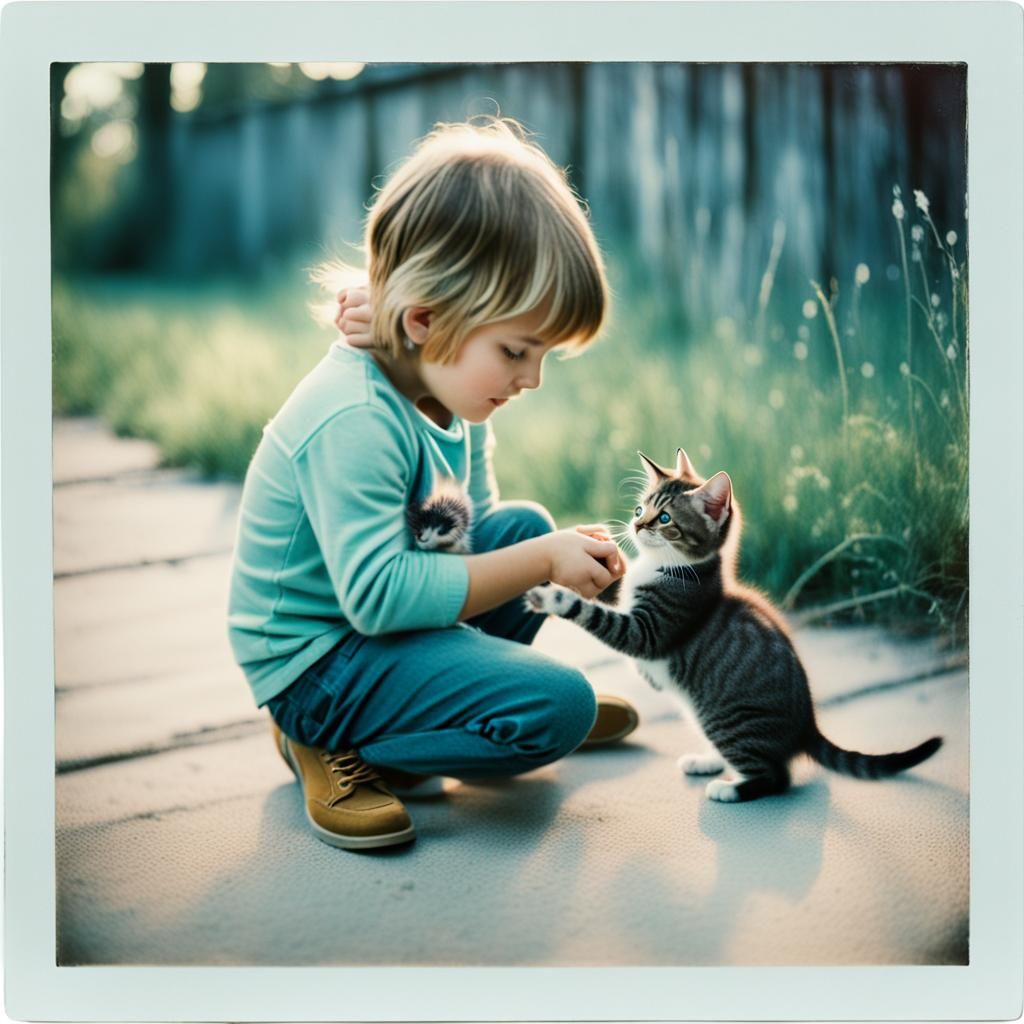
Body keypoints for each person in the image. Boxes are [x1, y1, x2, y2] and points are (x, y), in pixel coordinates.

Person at [227, 116, 638, 852]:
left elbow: (459, 535)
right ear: (424, 319)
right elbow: (381, 599)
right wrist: (545, 561)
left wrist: (541, 551)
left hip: (375, 628)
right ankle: (331, 741)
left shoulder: (445, 384)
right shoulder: (354, 418)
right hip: (318, 663)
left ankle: (487, 701)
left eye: (544, 355)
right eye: (516, 350)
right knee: (558, 696)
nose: (532, 379)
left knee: (519, 524)